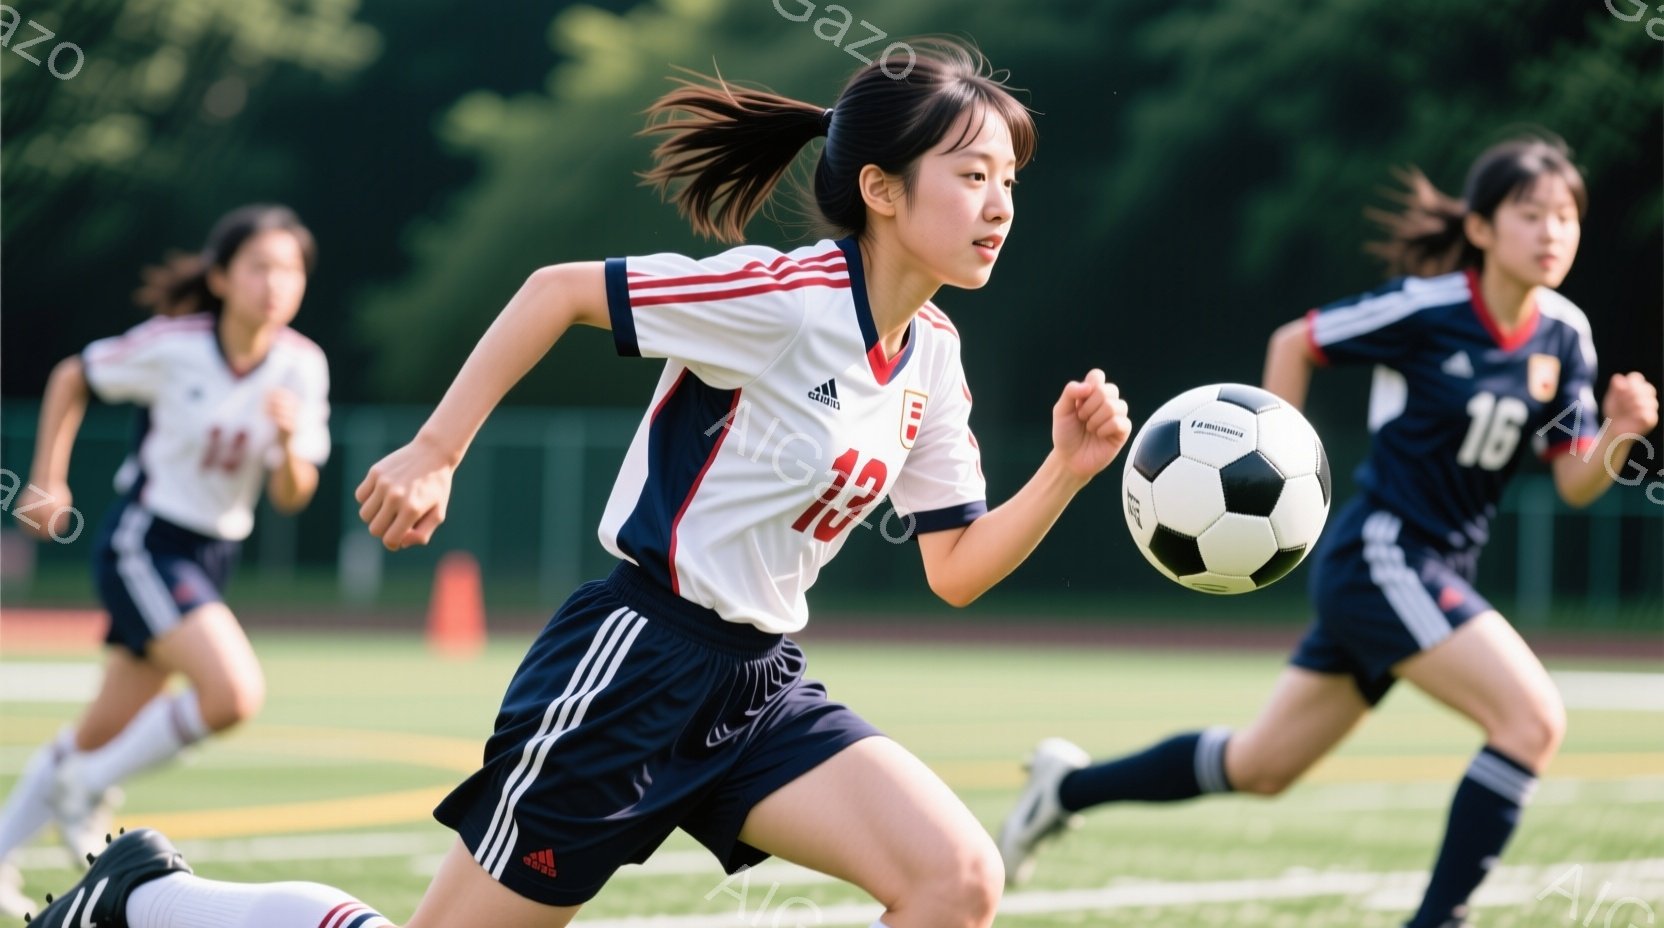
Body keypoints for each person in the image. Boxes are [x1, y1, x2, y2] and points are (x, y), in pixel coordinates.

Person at [24, 39, 1134, 928]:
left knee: (956, 881)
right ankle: (149, 898)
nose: (1000, 204)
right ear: (882, 189)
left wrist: (1064, 472)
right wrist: (436, 450)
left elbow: (954, 568)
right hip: (632, 664)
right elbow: (556, 291)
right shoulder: (784, 300)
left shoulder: (932, 356)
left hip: (758, 687)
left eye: (1008, 180)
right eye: (972, 176)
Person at [997, 136, 1659, 928]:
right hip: (1384, 552)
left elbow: (1574, 481)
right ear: (1481, 228)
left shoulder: (1565, 336)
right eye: (1531, 214)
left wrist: (1619, 432)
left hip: (1437, 568)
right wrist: (1273, 473)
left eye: (1566, 217)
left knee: (1261, 766)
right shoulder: (1427, 308)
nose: (1552, 232)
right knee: (1532, 721)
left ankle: (1066, 788)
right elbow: (1296, 342)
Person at [0, 205, 330, 919]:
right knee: (232, 694)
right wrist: (48, 479)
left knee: (101, 729)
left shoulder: (303, 366)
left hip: (214, 553)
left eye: (291, 270)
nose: (276, 283)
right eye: (259, 267)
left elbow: (293, 494)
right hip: (146, 543)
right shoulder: (175, 346)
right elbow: (72, 374)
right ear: (221, 277)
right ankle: (86, 785)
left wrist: (285, 444)